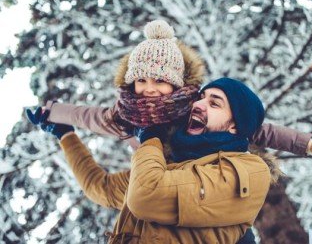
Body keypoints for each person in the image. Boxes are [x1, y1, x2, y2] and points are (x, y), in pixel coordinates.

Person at [28, 77, 277, 243]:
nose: (199, 105)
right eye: (201, 98)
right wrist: (66, 135)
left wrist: (149, 140)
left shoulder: (251, 171)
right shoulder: (165, 164)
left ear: (235, 126)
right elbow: (100, 187)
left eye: (214, 103)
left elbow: (146, 196)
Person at [40, 20, 312, 158]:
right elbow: (84, 116)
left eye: (160, 81)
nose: (149, 89)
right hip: (160, 184)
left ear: (177, 83)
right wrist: (53, 111)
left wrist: (305, 143)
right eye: (141, 80)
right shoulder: (123, 117)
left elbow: (261, 131)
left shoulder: (193, 107)